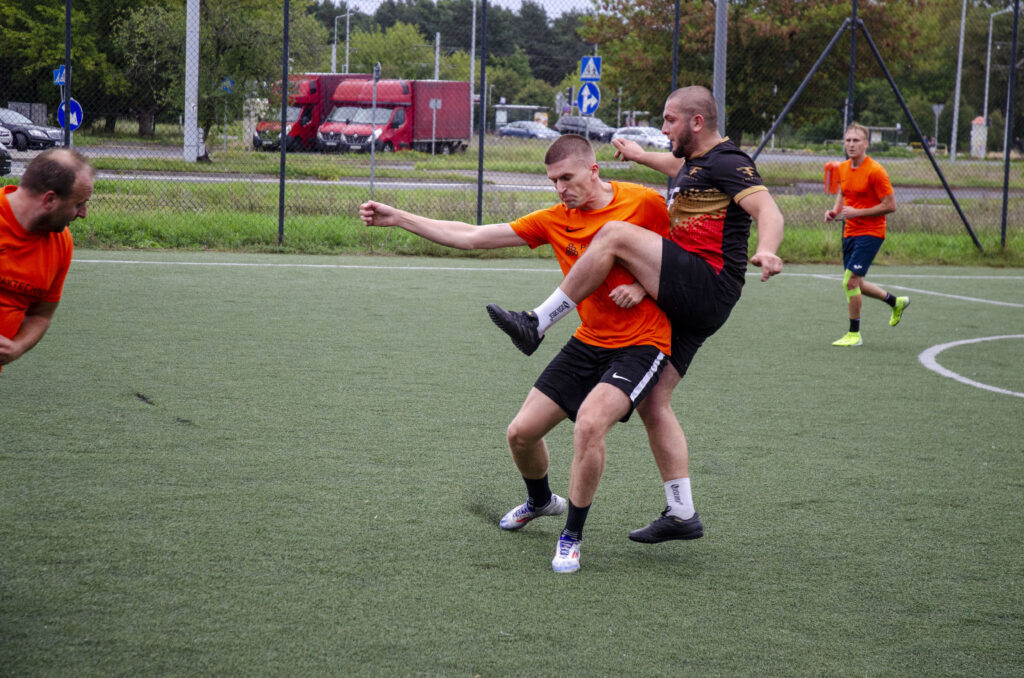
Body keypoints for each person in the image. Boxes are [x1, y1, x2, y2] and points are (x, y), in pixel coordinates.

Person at [360, 134, 677, 573]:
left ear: (593, 170)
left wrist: (642, 286)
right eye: (553, 181)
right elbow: (471, 236)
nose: (560, 188)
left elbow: (682, 257)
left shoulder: (643, 202)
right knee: (521, 434)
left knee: (589, 426)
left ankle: (572, 535)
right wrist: (398, 217)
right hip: (589, 338)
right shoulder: (555, 219)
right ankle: (541, 501)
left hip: (642, 342)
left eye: (566, 178)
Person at [486, 86, 784, 542]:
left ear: (697, 122)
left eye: (669, 120)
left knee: (614, 234)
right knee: (653, 399)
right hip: (688, 295)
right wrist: (641, 155)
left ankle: (538, 321)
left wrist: (769, 248)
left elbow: (767, 209)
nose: (663, 129)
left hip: (708, 284)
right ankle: (682, 512)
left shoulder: (728, 161)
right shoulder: (695, 164)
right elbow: (676, 168)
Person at [0, 148, 94, 373]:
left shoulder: (61, 243)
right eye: (79, 204)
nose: (83, 214)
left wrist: (18, 346)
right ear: (50, 199)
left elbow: (40, 316)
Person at [825, 122, 908, 347]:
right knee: (856, 282)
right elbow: (843, 192)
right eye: (848, 140)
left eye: (856, 140)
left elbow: (890, 206)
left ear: (866, 144)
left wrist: (857, 212)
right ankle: (895, 302)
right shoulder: (843, 168)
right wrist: (834, 212)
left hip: (871, 232)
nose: (851, 144)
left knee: (850, 281)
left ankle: (854, 334)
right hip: (850, 231)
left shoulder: (876, 171)